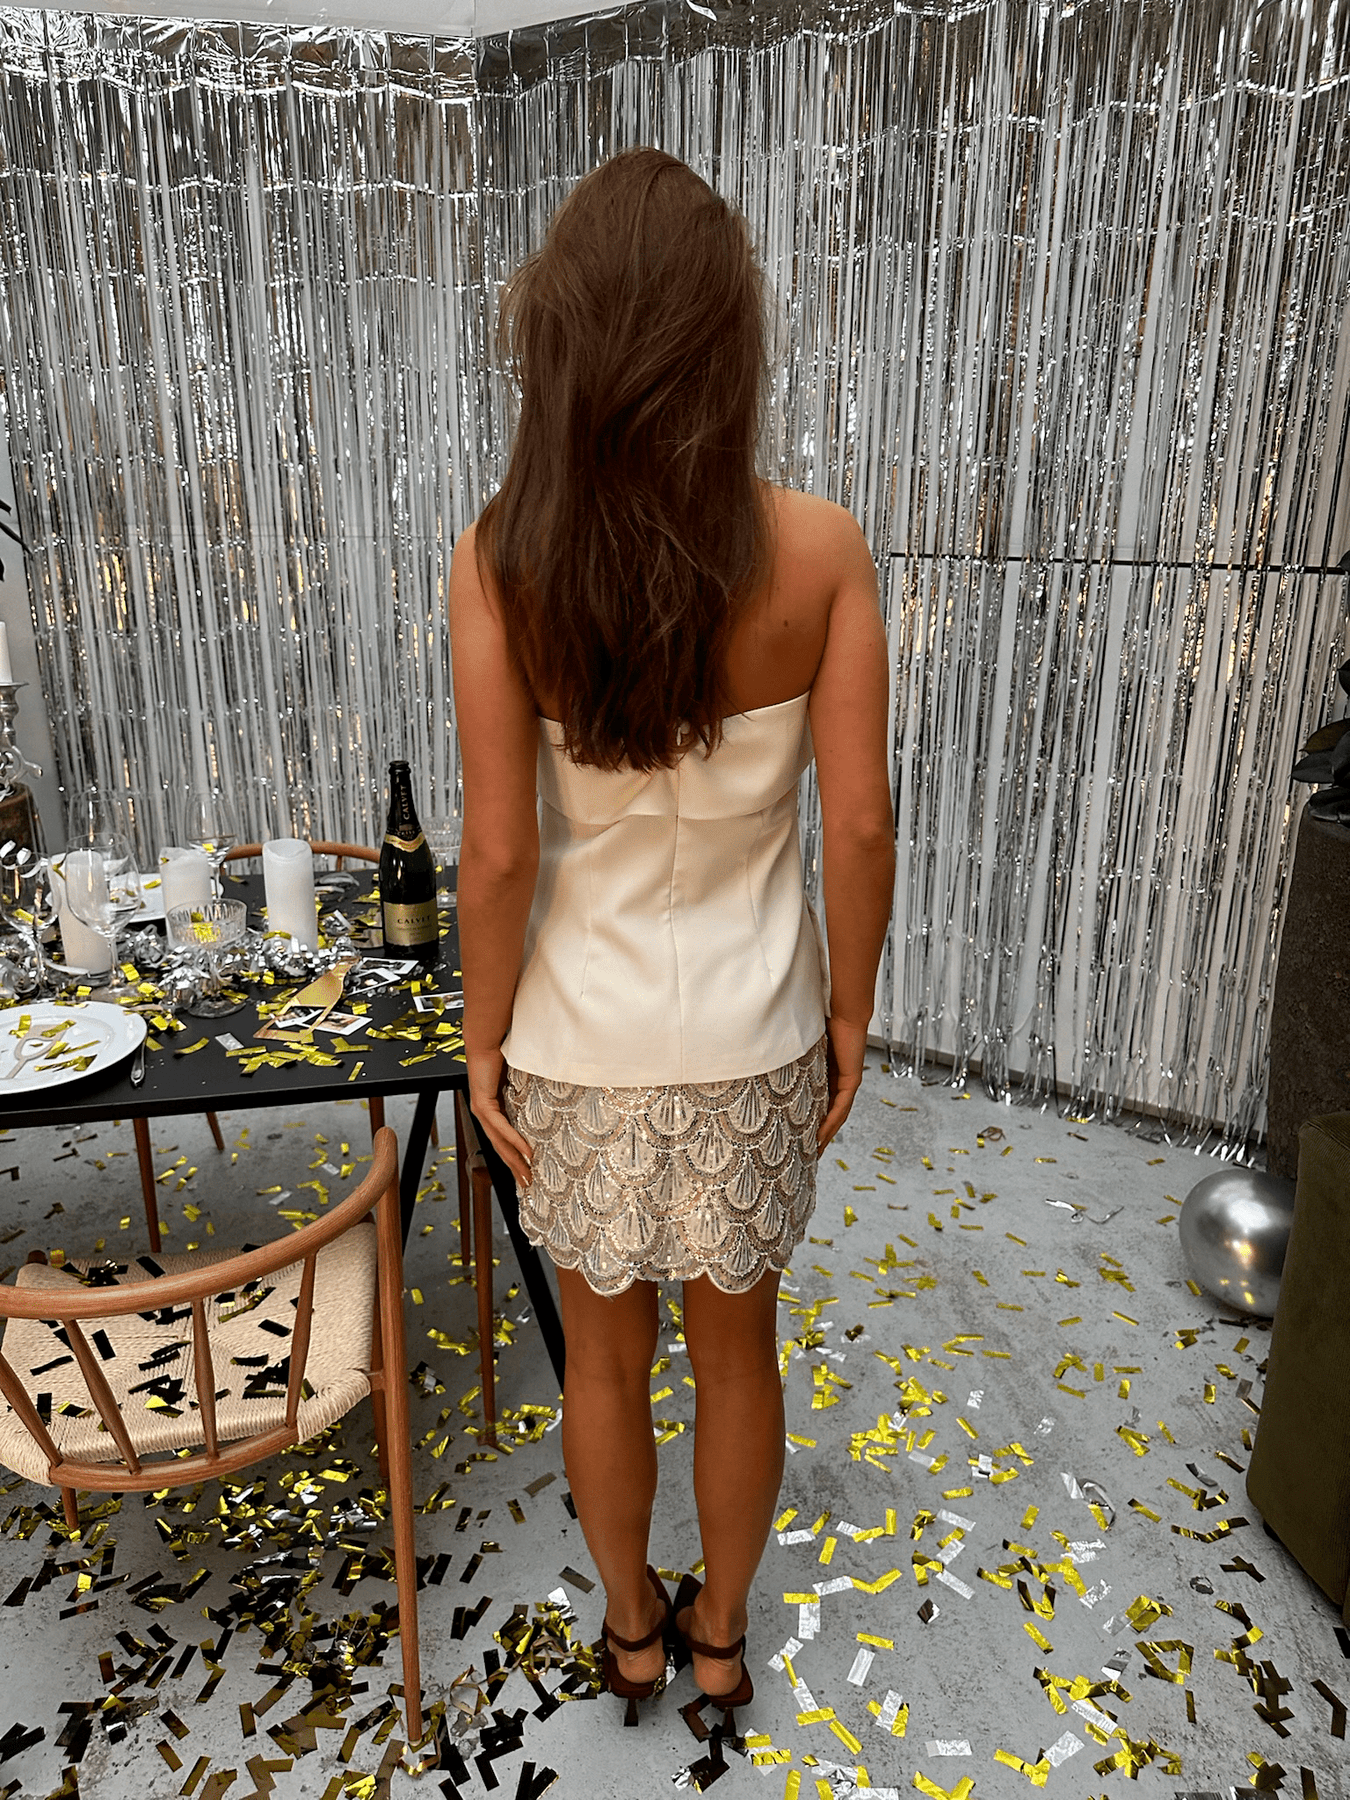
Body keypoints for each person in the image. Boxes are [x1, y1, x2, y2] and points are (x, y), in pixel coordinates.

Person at [449, 146, 895, 1726]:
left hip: (577, 1044)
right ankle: (721, 1639)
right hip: (755, 1036)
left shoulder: (501, 557)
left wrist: (481, 1039)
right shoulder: (821, 551)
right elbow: (858, 826)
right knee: (737, 1360)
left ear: (556, 341)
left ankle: (631, 1628)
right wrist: (851, 1016)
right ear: (732, 340)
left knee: (598, 1364)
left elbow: (499, 853)